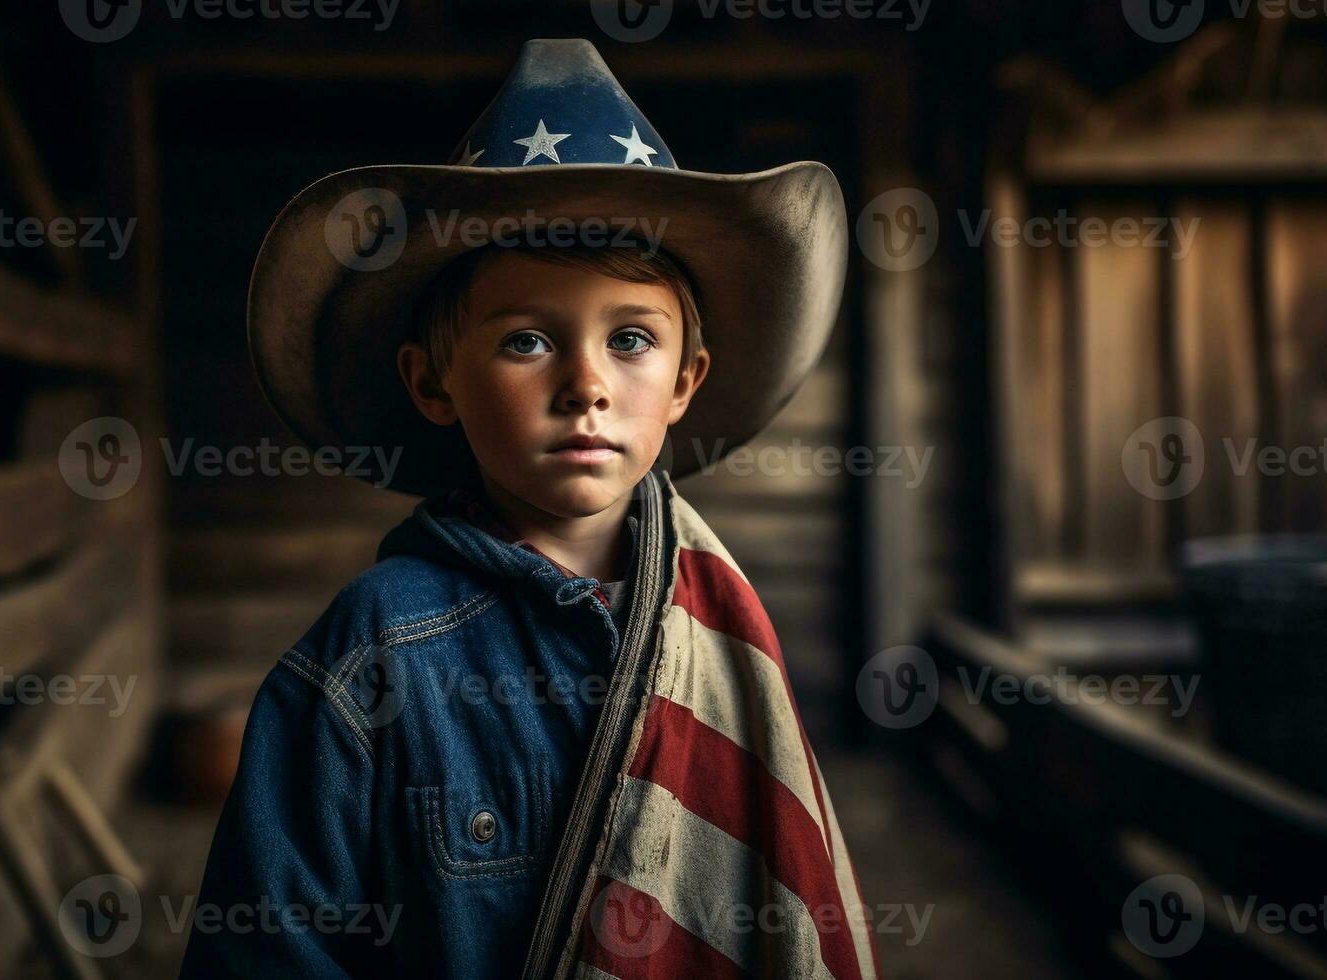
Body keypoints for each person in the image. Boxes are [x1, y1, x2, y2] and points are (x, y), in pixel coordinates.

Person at [182, 38, 879, 980]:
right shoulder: (372, 653)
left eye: (631, 338)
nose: (585, 385)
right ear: (434, 382)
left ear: (684, 382)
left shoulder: (718, 626)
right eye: (524, 342)